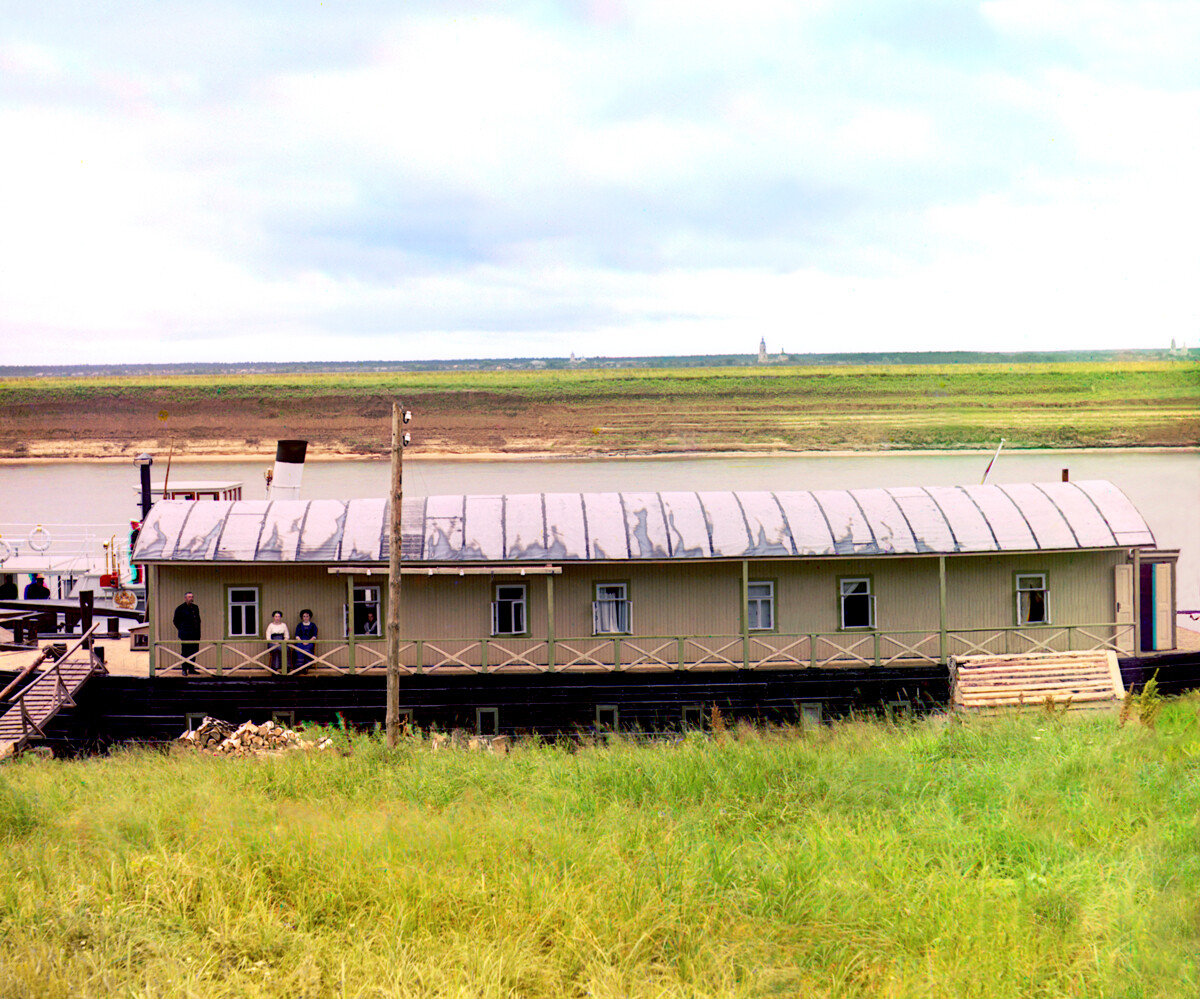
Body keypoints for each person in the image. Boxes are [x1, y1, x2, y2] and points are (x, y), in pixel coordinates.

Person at [172, 591, 201, 675]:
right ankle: (184, 669)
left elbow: (198, 620)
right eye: (189, 597)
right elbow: (175, 621)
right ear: (185, 598)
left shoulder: (195, 607)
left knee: (194, 651)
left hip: (195, 634)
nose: (191, 599)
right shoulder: (180, 608)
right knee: (185, 652)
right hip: (185, 634)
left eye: (192, 597)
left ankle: (191, 669)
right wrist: (182, 630)